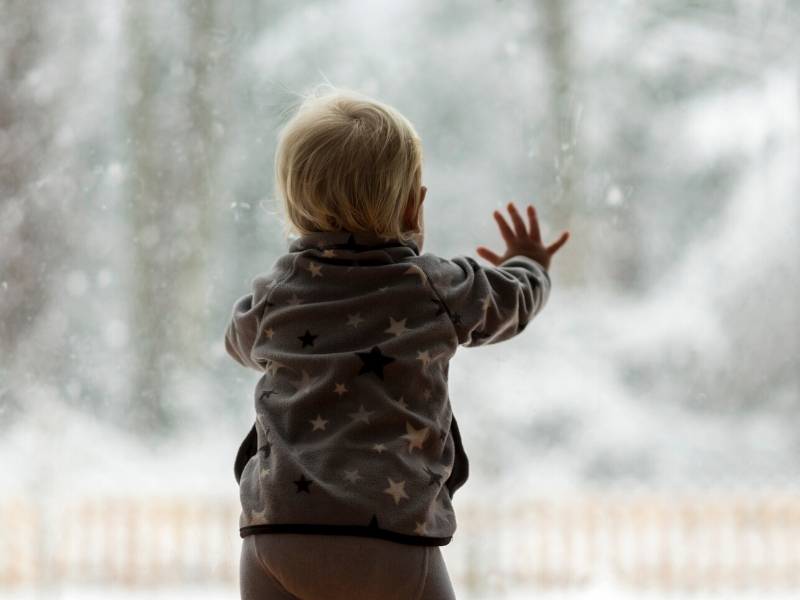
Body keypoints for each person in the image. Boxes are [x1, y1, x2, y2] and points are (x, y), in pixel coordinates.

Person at [225, 85, 569, 599]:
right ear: (414, 206)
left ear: (294, 207)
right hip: (390, 536)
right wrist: (529, 264)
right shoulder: (435, 287)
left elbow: (239, 342)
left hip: (277, 531)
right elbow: (513, 302)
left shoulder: (276, 294)